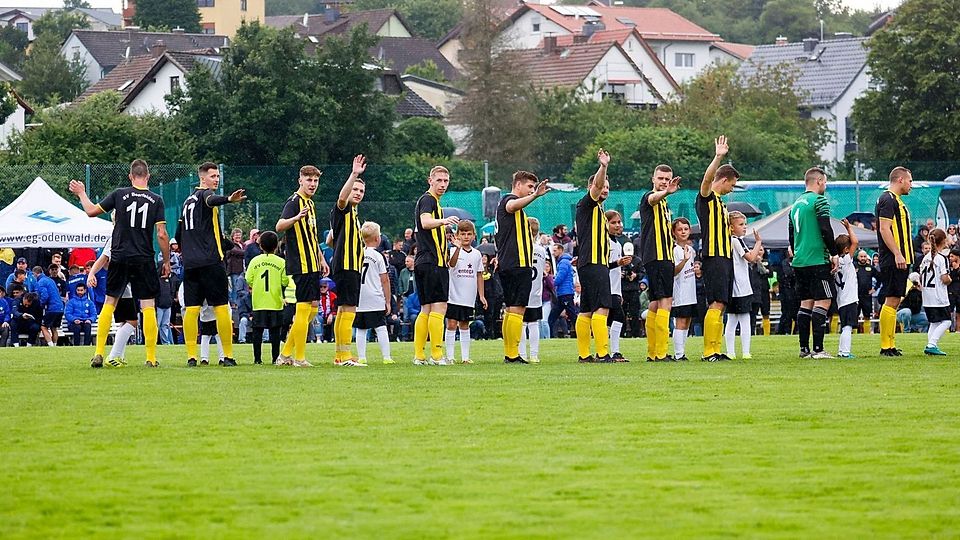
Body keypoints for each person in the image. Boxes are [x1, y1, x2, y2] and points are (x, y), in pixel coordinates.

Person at [69, 159, 170, 368]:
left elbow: (90, 211)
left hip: (119, 255)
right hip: (143, 256)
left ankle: (98, 353)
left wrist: (81, 193)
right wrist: (167, 260)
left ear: (130, 176)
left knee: (109, 302)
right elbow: (161, 234)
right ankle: (150, 358)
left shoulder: (119, 194)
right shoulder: (156, 199)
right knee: (148, 305)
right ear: (148, 176)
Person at [177, 161, 247, 367]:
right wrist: (228, 199)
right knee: (221, 308)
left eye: (217, 176)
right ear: (202, 178)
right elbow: (211, 200)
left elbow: (178, 235)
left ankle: (191, 356)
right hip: (210, 262)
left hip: (190, 264)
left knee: (191, 310)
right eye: (213, 176)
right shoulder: (205, 195)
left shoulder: (186, 202)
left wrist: (222, 243)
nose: (216, 179)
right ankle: (227, 356)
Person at [275, 165, 330, 367]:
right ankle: (299, 358)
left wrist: (322, 259)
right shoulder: (294, 202)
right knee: (304, 308)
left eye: (315, 180)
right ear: (300, 181)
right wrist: (296, 218)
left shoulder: (310, 203)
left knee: (312, 309)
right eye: (309, 180)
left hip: (313, 263)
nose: (313, 184)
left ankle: (286, 353)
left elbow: (313, 237)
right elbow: (279, 226)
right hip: (301, 264)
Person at [495, 170, 550, 364]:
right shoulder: (508, 200)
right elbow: (511, 206)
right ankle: (512, 354)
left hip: (510, 263)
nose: (532, 190)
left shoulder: (516, 209)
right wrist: (535, 196)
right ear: (518, 184)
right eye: (529, 186)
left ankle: (510, 353)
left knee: (511, 310)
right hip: (517, 263)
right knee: (517, 309)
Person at [695, 136, 739, 361]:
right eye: (731, 184)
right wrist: (718, 156)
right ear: (722, 179)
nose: (731, 189)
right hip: (713, 256)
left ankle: (716, 348)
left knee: (721, 303)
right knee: (715, 302)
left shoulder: (721, 203)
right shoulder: (707, 197)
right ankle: (708, 351)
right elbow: (705, 180)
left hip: (724, 256)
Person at [412, 166, 460, 365]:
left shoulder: (433, 202)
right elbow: (425, 222)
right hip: (432, 262)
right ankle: (437, 356)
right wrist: (443, 221)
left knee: (426, 310)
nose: (442, 184)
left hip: (423, 262)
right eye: (439, 180)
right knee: (439, 309)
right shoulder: (428, 200)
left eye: (446, 181)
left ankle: (419, 356)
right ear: (429, 181)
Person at [788, 166, 838, 359]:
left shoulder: (795, 204)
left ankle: (804, 349)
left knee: (805, 303)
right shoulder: (819, 201)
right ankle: (818, 350)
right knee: (824, 300)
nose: (825, 185)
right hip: (817, 259)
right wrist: (834, 253)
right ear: (818, 181)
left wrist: (797, 252)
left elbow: (791, 236)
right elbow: (825, 228)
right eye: (824, 182)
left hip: (800, 261)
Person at [574, 149, 615, 363]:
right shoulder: (588, 203)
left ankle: (584, 355)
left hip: (590, 263)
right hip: (594, 263)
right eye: (602, 186)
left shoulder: (598, 210)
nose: (604, 189)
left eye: (608, 187)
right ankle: (602, 353)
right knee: (602, 307)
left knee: (587, 309)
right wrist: (603, 166)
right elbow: (597, 186)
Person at [639, 164, 682, 361]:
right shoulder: (650, 197)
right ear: (653, 179)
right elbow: (652, 198)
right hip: (657, 256)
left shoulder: (665, 204)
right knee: (666, 301)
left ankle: (653, 352)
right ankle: (661, 353)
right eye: (661, 178)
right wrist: (665, 191)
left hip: (662, 255)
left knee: (656, 303)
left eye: (667, 179)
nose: (664, 182)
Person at [329, 155, 368, 366]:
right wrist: (354, 175)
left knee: (344, 309)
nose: (358, 193)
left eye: (361, 191)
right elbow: (341, 199)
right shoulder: (344, 208)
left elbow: (330, 239)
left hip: (348, 265)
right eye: (356, 190)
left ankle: (341, 354)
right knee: (349, 309)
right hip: (347, 264)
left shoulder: (353, 213)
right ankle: (344, 356)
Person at [876, 167, 914, 356]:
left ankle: (890, 344)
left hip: (901, 258)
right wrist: (898, 254)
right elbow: (884, 229)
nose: (911, 186)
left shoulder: (896, 200)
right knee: (891, 299)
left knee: (895, 300)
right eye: (910, 181)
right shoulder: (887, 199)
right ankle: (885, 346)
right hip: (893, 259)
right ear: (900, 180)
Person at [87, 240, 140, 367]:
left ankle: (118, 356)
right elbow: (104, 258)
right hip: (123, 284)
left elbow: (104, 258)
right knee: (132, 321)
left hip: (120, 282)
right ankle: (113, 356)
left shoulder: (116, 235)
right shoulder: (119, 235)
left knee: (124, 321)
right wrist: (92, 273)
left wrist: (92, 273)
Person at [244, 231, 288, 365]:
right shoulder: (281, 262)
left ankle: (257, 359)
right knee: (275, 332)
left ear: (261, 246)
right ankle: (275, 358)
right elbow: (285, 281)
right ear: (276, 246)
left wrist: (256, 285)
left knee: (257, 331)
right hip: (275, 302)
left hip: (259, 302)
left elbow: (248, 278)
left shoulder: (255, 261)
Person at [445, 220, 485, 364]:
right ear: (457, 235)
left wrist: (481, 295)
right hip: (453, 295)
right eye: (463, 234)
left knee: (464, 324)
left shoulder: (477, 254)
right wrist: (457, 248)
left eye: (469, 234)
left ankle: (465, 357)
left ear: (474, 236)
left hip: (468, 297)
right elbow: (452, 264)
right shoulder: (452, 250)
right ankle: (449, 357)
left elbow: (479, 274)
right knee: (451, 324)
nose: (466, 237)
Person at [354, 222, 394, 365]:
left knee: (361, 328)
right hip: (375, 296)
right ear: (378, 238)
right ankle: (386, 357)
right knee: (380, 327)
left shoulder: (357, 254)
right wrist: (388, 301)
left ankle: (362, 357)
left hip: (359, 297)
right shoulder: (378, 256)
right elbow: (384, 280)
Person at [725, 212, 763, 359]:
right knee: (745, 319)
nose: (744, 227)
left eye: (745, 224)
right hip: (741, 286)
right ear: (731, 228)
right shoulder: (737, 241)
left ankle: (731, 352)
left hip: (733, 286)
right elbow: (751, 258)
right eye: (741, 224)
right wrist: (758, 242)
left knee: (732, 319)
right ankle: (745, 352)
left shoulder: (729, 241)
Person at [603, 211, 633, 362]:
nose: (618, 225)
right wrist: (617, 263)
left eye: (619, 222)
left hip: (615, 287)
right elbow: (601, 266)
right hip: (605, 287)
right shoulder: (605, 242)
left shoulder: (616, 243)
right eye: (613, 222)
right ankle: (613, 351)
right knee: (618, 316)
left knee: (612, 319)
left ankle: (608, 351)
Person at [519, 217, 548, 363]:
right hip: (536, 291)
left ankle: (522, 354)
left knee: (522, 323)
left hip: (522, 290)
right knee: (534, 323)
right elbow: (543, 270)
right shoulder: (541, 250)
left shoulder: (520, 248)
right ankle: (534, 355)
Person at [919, 228, 952, 355]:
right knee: (947, 321)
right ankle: (932, 344)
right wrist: (950, 279)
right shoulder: (941, 258)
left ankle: (930, 345)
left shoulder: (925, 258)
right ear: (943, 241)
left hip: (927, 296)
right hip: (939, 296)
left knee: (934, 322)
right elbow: (944, 279)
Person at [671, 217, 696, 361]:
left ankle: (682, 351)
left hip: (691, 291)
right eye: (680, 229)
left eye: (686, 229)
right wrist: (684, 260)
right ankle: (678, 354)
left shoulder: (691, 249)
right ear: (674, 232)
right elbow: (674, 271)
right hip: (680, 292)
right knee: (680, 321)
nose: (683, 232)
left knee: (687, 321)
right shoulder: (674, 250)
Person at [834, 220, 860, 358]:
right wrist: (849, 227)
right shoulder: (845, 259)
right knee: (848, 327)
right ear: (845, 249)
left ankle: (841, 351)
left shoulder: (836, 261)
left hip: (841, 299)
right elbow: (855, 242)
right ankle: (845, 352)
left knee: (845, 326)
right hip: (849, 298)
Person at [548, 243, 576, 335]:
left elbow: (560, 277)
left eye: (555, 250)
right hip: (564, 293)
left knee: (572, 315)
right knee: (555, 315)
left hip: (565, 293)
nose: (553, 253)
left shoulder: (563, 262)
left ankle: (583, 332)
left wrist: (551, 282)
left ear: (561, 250)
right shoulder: (563, 262)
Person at [37, 264, 65, 347]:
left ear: (36, 274)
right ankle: (55, 345)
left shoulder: (41, 281)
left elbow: (45, 296)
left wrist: (41, 304)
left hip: (52, 308)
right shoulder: (51, 280)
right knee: (54, 327)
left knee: (43, 326)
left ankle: (51, 345)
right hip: (60, 307)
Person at [156, 265, 178, 345]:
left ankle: (166, 343)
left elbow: (172, 291)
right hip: (159, 306)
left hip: (168, 306)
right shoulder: (157, 281)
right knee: (157, 325)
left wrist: (171, 301)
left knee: (165, 325)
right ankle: (153, 341)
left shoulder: (170, 280)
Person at [225, 228, 246, 305]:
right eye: (236, 235)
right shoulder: (231, 245)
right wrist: (245, 252)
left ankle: (239, 302)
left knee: (242, 287)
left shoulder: (243, 245)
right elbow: (236, 252)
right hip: (235, 269)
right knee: (236, 287)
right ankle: (234, 302)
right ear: (232, 236)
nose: (238, 236)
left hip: (243, 269)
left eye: (239, 234)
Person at [855, 250, 875, 325]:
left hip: (867, 295)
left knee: (867, 315)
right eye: (861, 256)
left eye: (864, 256)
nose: (863, 258)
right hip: (856, 295)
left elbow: (880, 278)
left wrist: (875, 288)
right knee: (855, 315)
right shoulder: (854, 266)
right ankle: (854, 333)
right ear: (858, 257)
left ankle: (867, 333)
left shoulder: (870, 268)